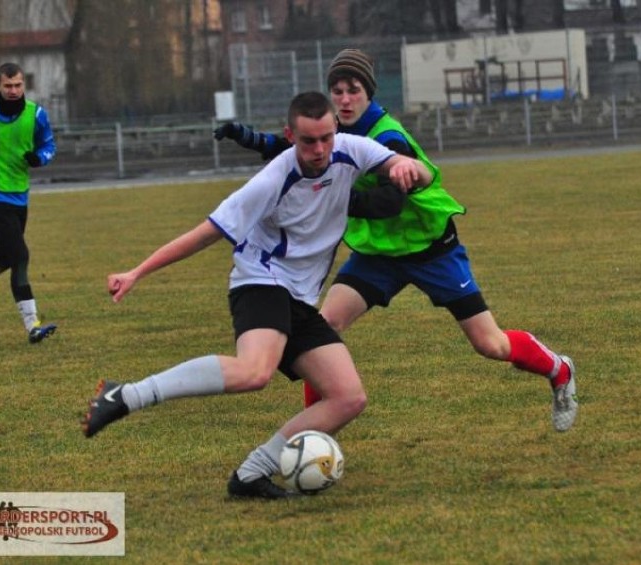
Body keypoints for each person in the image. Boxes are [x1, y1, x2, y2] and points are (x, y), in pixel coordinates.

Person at [81, 91, 433, 499]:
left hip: (299, 297)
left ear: (335, 129)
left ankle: (251, 474)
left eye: (325, 138)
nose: (319, 150)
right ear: (289, 135)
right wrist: (138, 271)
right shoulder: (271, 180)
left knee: (348, 397)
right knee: (254, 372)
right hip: (260, 280)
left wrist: (410, 168)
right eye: (307, 141)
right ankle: (126, 394)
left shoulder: (352, 150)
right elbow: (204, 234)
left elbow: (420, 173)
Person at [214, 48, 578, 432]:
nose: (344, 99)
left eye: (353, 90)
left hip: (431, 252)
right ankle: (312, 434)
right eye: (336, 91)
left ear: (368, 92)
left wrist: (330, 201)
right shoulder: (336, 130)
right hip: (379, 255)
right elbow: (299, 149)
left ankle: (559, 369)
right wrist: (250, 138)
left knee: (491, 345)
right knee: (322, 329)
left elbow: (389, 202)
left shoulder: (389, 137)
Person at [0, 62, 57, 342]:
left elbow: (49, 146)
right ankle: (32, 326)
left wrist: (38, 158)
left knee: (2, 259)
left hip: (20, 195)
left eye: (18, 85)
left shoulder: (36, 115)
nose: (14, 90)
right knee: (20, 256)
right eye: (8, 86)